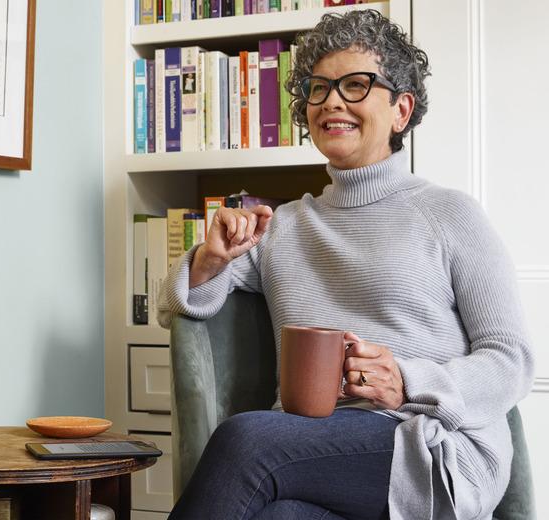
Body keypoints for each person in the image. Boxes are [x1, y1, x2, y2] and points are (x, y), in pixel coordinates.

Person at [158, 9, 534, 520]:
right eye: (319, 88)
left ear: (401, 110)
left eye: (356, 84)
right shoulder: (284, 226)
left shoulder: (451, 215)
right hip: (309, 453)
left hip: (427, 446)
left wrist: (407, 379)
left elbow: (512, 361)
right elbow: (181, 303)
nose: (332, 100)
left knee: (247, 440)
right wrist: (211, 258)